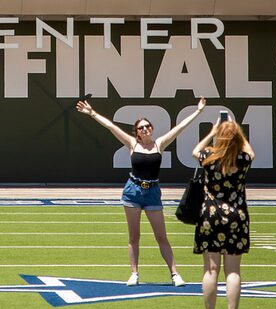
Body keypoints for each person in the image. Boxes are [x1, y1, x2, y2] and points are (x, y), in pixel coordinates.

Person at [76, 95, 207, 287]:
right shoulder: (133, 144)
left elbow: (179, 129)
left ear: (151, 128)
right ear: (137, 132)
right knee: (134, 236)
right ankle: (134, 273)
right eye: (141, 128)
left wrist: (198, 111)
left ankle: (175, 274)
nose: (145, 129)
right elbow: (111, 126)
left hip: (152, 191)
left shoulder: (159, 144)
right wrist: (92, 113)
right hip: (133, 191)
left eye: (148, 126)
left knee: (161, 236)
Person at [191, 118, 255, 309]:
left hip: (211, 216)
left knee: (211, 270)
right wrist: (237, 132)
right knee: (233, 271)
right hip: (236, 217)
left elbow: (195, 151)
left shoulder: (209, 157)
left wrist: (212, 132)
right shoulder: (243, 159)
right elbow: (250, 152)